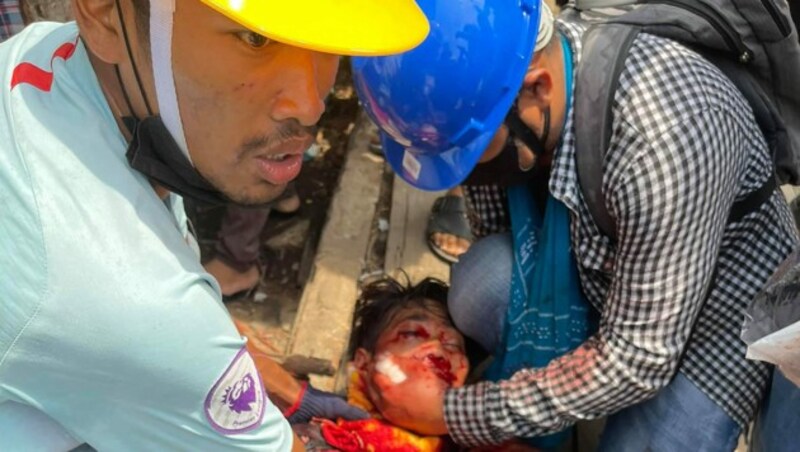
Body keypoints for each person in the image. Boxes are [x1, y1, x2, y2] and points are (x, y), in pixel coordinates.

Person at [353, 0, 798, 450]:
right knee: (482, 282)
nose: (465, 174)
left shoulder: (663, 138)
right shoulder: (500, 105)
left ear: (537, 89)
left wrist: (456, 413)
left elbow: (640, 356)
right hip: (603, 271)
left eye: (468, 153)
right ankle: (586, 401)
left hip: (715, 317)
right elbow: (495, 230)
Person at [0, 0, 429, 449]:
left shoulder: (54, 58)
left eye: (328, 39)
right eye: (254, 38)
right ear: (104, 13)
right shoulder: (125, 298)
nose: (309, 105)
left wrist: (286, 389)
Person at [244, 276, 471, 451]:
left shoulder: (489, 437)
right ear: (364, 365)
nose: (438, 346)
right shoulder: (311, 441)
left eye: (453, 344)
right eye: (413, 334)